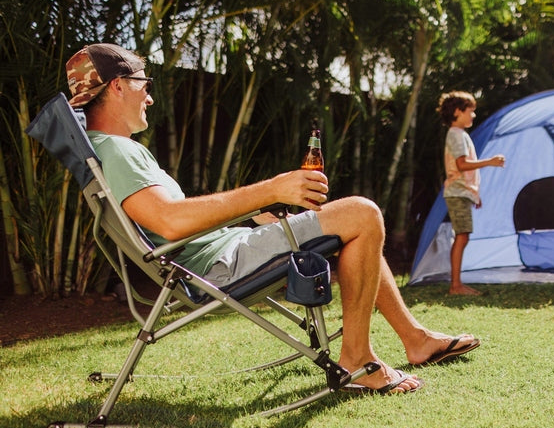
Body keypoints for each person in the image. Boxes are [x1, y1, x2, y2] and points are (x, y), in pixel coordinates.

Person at [65, 43, 482, 394]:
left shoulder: (109, 149)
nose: (150, 98)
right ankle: (358, 359)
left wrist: (251, 215)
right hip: (219, 266)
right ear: (117, 86)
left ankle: (415, 339)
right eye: (144, 85)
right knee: (362, 213)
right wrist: (273, 189)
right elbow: (170, 221)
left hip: (219, 250)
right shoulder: (116, 151)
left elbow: (171, 220)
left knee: (355, 224)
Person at [437, 91, 506, 296]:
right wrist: (489, 162)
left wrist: (474, 193)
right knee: (462, 236)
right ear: (458, 112)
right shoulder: (456, 134)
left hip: (463, 192)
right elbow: (462, 164)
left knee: (463, 236)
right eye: (470, 111)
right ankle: (455, 286)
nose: (473, 115)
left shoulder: (460, 134)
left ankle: (457, 284)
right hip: (457, 192)